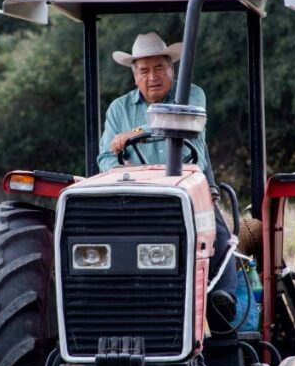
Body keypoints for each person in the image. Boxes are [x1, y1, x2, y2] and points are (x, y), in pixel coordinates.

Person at [97, 32, 238, 326]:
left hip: (188, 194)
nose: (152, 77)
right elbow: (106, 160)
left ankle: (223, 303)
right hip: (137, 199)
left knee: (221, 241)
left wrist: (132, 136)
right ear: (134, 76)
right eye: (144, 71)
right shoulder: (117, 109)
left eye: (159, 68)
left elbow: (179, 125)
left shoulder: (192, 95)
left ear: (172, 71)